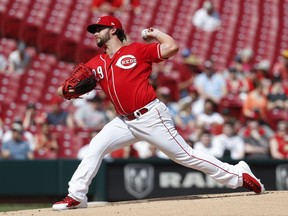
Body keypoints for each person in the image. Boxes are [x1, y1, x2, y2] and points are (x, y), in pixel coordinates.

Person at [52, 15, 265, 211]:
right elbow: (64, 89)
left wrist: (155, 34)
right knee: (95, 147)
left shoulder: (136, 50)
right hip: (123, 122)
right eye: (94, 30)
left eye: (99, 29)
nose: (95, 33)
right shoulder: (96, 63)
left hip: (150, 116)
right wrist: (66, 89)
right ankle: (77, 196)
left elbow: (172, 47)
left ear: (113, 30)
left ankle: (238, 174)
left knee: (185, 156)